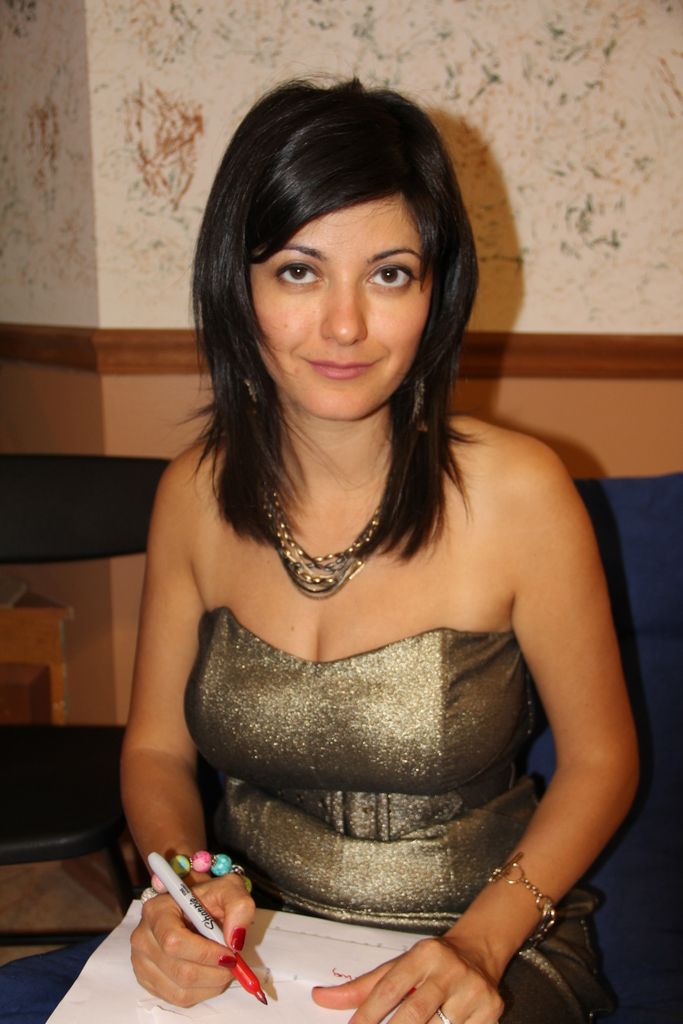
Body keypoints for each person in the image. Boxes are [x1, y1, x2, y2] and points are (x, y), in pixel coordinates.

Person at [121, 78, 638, 1024]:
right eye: (299, 271)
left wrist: (478, 946)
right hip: (260, 945)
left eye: (389, 274)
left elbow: (601, 761)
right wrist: (185, 889)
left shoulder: (521, 493)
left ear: (436, 291)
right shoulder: (191, 493)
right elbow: (156, 748)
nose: (346, 324)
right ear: (238, 284)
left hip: (486, 938)